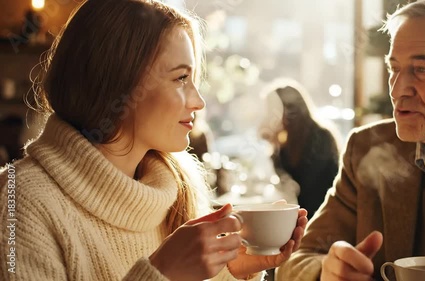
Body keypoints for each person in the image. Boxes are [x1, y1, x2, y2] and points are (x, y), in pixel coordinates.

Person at [0, 1, 308, 280]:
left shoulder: (174, 194)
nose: (198, 101)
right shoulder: (19, 203)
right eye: (180, 78)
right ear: (117, 82)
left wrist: (231, 273)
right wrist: (160, 274)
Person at [276, 0, 425, 280]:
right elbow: (295, 259)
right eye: (394, 69)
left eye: (421, 69)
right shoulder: (367, 147)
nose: (397, 90)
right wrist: (326, 271)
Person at [259, 79, 341, 220]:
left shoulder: (321, 137)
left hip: (323, 217)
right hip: (297, 217)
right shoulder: (283, 141)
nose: (269, 116)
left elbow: (311, 189)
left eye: (272, 110)